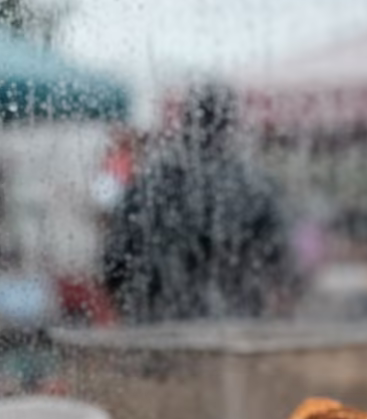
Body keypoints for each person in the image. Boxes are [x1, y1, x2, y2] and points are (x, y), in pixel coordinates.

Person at [102, 84, 293, 322]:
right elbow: (282, 265)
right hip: (238, 329)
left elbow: (114, 261)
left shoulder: (150, 182)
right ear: (230, 127)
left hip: (157, 329)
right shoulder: (256, 185)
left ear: (186, 122)